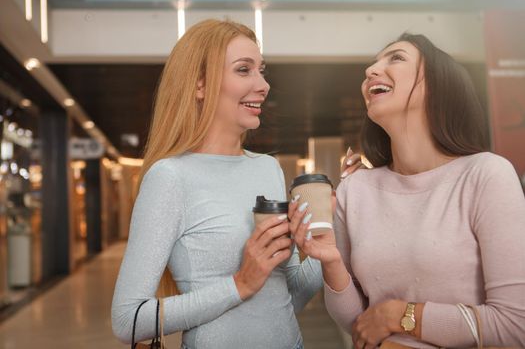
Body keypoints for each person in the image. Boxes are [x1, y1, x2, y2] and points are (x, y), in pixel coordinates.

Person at [289, 33, 525, 348]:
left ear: (438, 87)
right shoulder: (356, 189)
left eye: (395, 58)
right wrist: (331, 261)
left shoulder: (485, 175)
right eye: (373, 63)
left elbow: (514, 326)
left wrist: (397, 315)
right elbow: (357, 323)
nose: (371, 70)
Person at [111, 19, 324, 349]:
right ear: (200, 86)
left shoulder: (268, 168)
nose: (263, 84)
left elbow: (286, 297)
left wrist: (326, 244)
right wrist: (240, 284)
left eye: (261, 70)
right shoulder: (170, 177)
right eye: (244, 70)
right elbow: (128, 320)